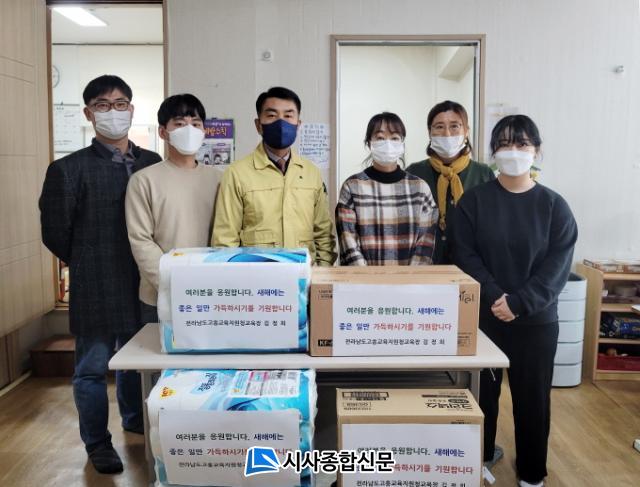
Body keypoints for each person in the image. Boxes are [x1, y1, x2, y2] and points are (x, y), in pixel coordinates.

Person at [39, 75, 162, 474]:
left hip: (143, 282)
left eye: (120, 103)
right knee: (92, 369)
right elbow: (55, 233)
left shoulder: (152, 163)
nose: (114, 112)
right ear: (88, 113)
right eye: (103, 105)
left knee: (136, 361)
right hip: (94, 285)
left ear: (132, 109)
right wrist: (89, 261)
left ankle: (135, 420)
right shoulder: (67, 169)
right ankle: (97, 443)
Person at [449, 115, 578, 487]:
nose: (513, 151)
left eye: (522, 144)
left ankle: (532, 473)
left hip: (536, 321)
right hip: (484, 317)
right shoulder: (474, 201)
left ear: (536, 150)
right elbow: (464, 254)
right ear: (493, 151)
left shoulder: (554, 206)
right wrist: (496, 296)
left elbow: (557, 267)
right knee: (481, 395)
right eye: (504, 144)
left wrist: (520, 303)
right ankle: (479, 458)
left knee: (533, 399)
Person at [212, 86, 336, 265]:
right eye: (271, 115)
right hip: (256, 277)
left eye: (288, 115)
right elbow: (225, 240)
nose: (281, 123)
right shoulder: (237, 174)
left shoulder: (311, 173)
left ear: (298, 124)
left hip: (305, 275)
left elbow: (323, 235)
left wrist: (321, 273)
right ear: (258, 125)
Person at [125, 94, 223, 320]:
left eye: (196, 124)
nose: (189, 130)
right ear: (163, 132)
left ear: (204, 131)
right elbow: (141, 240)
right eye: (179, 124)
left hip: (210, 293)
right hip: (160, 295)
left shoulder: (220, 179)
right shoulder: (143, 180)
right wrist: (172, 284)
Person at [336, 112, 438, 265]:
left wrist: (412, 276)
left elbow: (425, 244)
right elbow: (348, 243)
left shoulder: (420, 188)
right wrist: (365, 277)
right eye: (380, 138)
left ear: (402, 144)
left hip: (412, 278)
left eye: (395, 138)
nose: (388, 144)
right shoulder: (352, 186)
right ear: (369, 143)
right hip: (363, 278)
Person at [406, 100, 494, 263]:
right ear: (430, 132)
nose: (447, 133)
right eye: (439, 127)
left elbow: (490, 226)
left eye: (454, 126)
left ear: (466, 131)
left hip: (471, 266)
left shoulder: (483, 174)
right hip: (423, 264)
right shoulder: (414, 173)